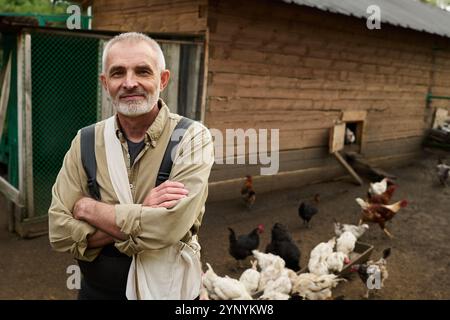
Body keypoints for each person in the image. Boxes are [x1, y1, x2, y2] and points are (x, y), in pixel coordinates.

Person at [48, 32, 214, 300]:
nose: (129, 82)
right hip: (97, 292)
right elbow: (58, 232)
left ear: (162, 79)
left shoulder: (191, 137)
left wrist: (89, 209)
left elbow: (169, 228)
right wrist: (143, 213)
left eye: (142, 71)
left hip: (170, 291)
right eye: (117, 73)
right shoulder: (86, 140)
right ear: (105, 83)